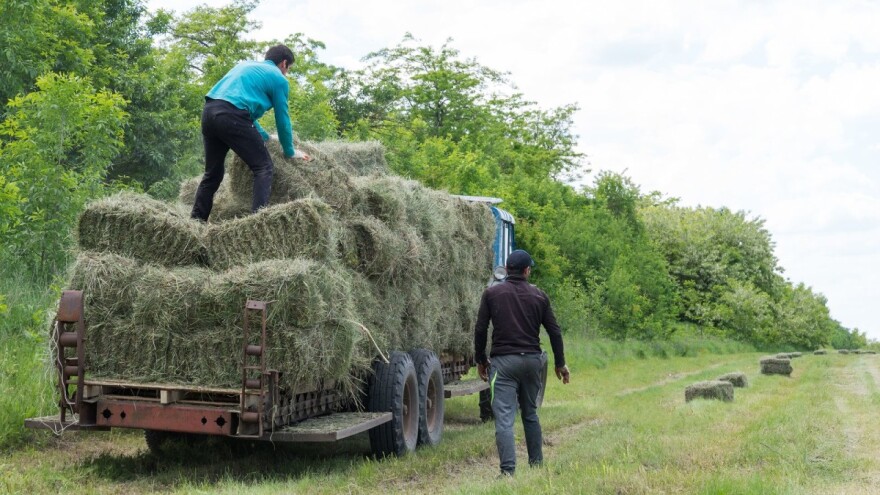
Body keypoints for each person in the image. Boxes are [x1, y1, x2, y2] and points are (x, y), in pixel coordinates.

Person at [474, 249, 570, 477]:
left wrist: (480, 359)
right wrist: (560, 364)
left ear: (506, 270)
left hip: (504, 363)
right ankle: (536, 465)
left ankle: (508, 472)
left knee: (504, 418)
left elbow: (480, 329)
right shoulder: (540, 296)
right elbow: (555, 331)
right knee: (530, 414)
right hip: (532, 363)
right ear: (527, 271)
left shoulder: (491, 294)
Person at [191, 44, 311, 222]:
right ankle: (256, 223)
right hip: (231, 115)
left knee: (213, 174)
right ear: (284, 63)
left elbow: (243, 112)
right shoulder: (279, 79)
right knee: (264, 167)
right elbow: (282, 118)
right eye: (289, 69)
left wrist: (266, 137)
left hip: (209, 112)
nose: (287, 73)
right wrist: (290, 151)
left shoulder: (246, 66)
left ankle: (196, 222)